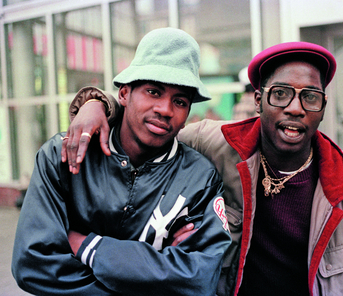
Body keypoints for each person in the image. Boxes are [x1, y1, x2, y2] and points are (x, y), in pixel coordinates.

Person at [62, 41, 343, 295]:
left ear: (323, 105)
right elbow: (147, 122)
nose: (296, 108)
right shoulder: (216, 144)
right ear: (258, 100)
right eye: (281, 94)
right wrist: (95, 104)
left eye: (310, 97)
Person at [12, 27, 231, 296]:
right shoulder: (64, 154)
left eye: (180, 101)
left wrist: (87, 247)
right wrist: (157, 271)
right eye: (153, 91)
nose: (165, 109)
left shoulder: (200, 178)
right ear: (124, 94)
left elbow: (199, 279)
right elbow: (32, 265)